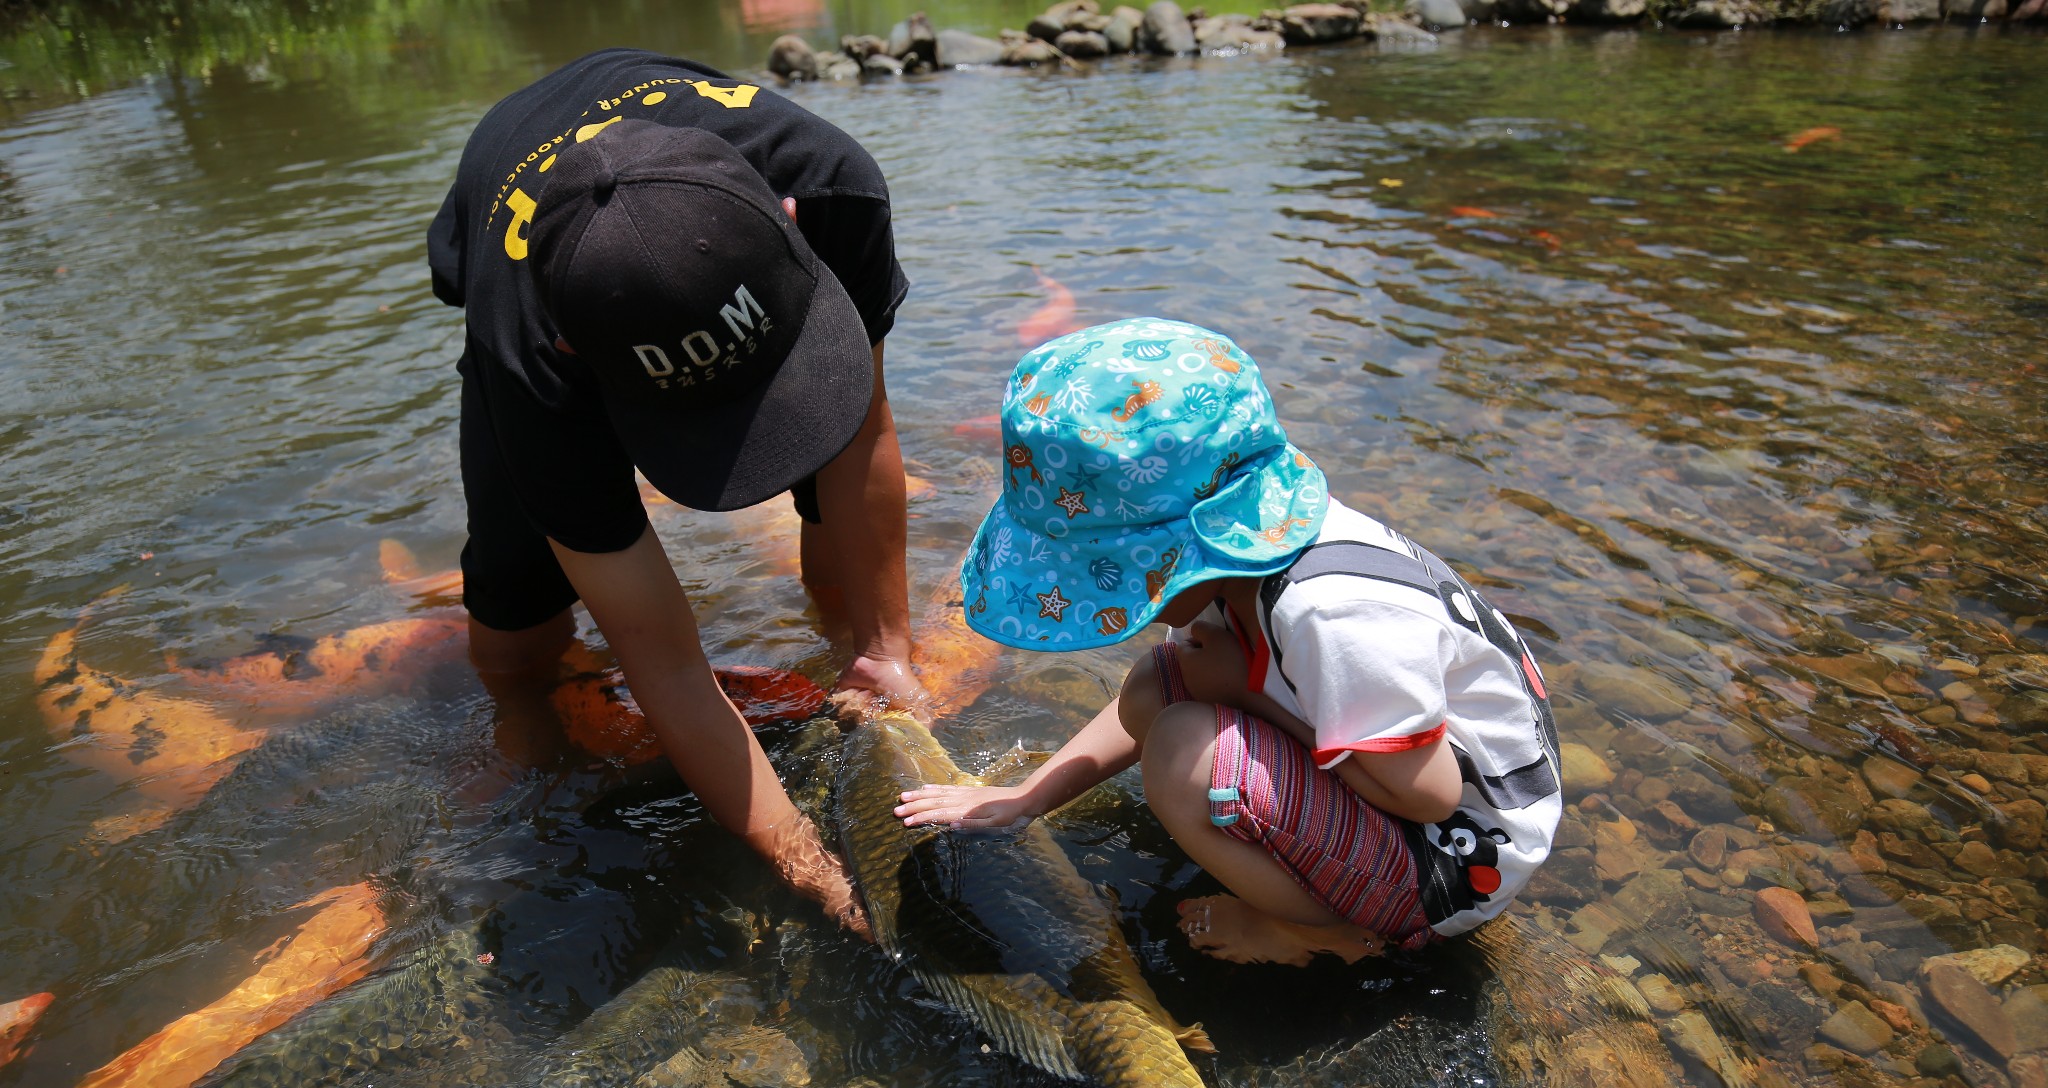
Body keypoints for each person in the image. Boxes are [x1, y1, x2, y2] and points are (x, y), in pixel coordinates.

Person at [428, 50, 929, 935]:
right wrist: (807, 865)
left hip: (701, 210)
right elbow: (661, 654)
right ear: (579, 358)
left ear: (788, 224)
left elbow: (866, 433)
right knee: (515, 642)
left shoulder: (831, 188)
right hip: (516, 222)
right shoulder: (531, 358)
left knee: (843, 536)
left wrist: (886, 648)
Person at [893, 319, 1561, 964]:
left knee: (1185, 752)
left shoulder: (1330, 614)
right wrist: (1027, 799)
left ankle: (1330, 934)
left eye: (1120, 578)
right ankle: (1304, 866)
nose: (1131, 603)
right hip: (1404, 794)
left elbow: (1430, 793)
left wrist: (1246, 691)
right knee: (1159, 684)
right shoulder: (1242, 549)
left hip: (1458, 857)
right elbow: (1175, 684)